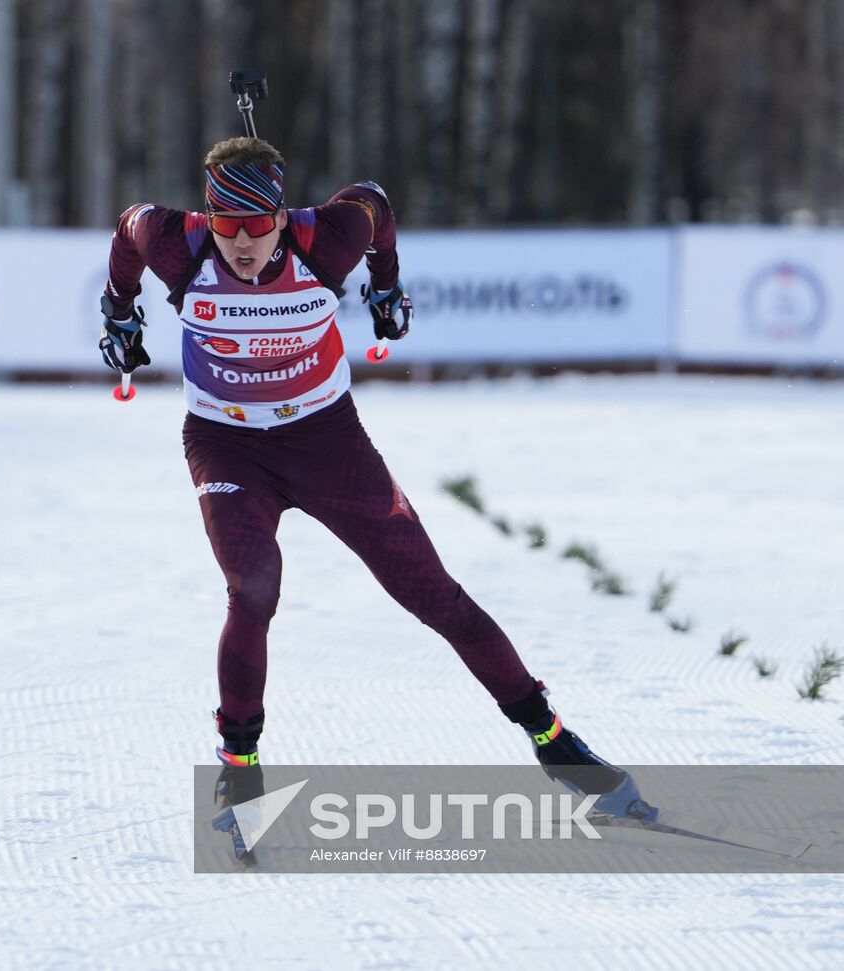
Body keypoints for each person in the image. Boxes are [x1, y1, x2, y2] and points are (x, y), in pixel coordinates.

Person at [99, 136, 635, 817]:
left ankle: (553, 739)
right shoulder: (178, 244)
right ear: (209, 217)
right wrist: (117, 307)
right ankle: (240, 767)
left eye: (257, 225)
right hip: (227, 442)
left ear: (281, 216)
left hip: (327, 440)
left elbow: (375, 204)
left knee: (436, 595)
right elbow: (128, 226)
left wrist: (387, 281)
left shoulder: (324, 240)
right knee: (253, 588)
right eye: (227, 225)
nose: (242, 243)